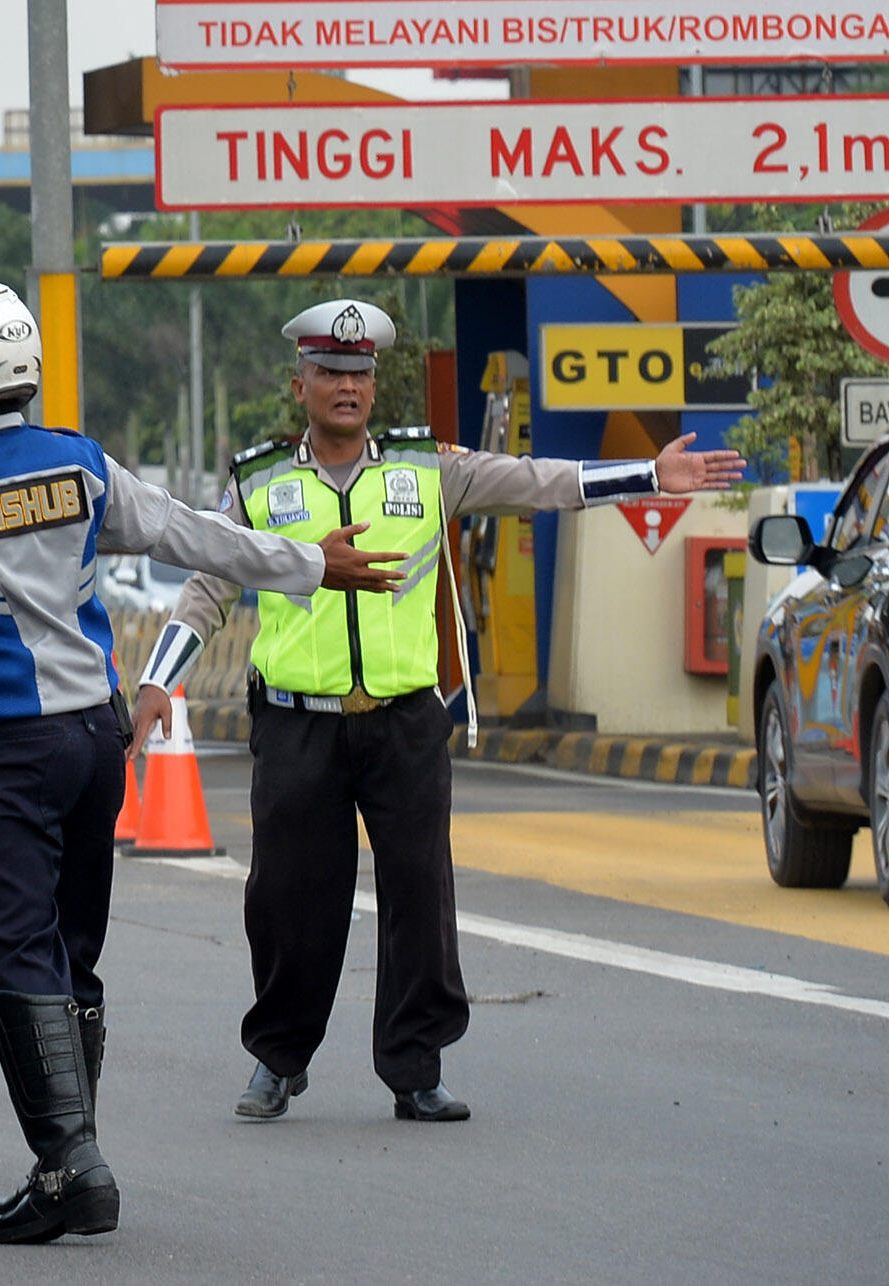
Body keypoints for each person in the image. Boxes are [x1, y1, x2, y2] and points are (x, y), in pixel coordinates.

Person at [0, 280, 395, 1244]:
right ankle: (68, 1155)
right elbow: (194, 535)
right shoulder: (81, 463)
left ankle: (70, 1168)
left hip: (7, 750)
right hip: (97, 742)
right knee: (71, 951)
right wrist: (309, 560)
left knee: (15, 949)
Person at [130, 296, 744, 1127]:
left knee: (420, 896)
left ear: (373, 385)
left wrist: (647, 477)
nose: (347, 386)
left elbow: (536, 481)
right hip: (296, 723)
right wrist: (159, 680)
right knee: (287, 900)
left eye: (360, 373)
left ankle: (415, 1068)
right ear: (300, 383)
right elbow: (207, 588)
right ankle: (278, 1060)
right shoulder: (261, 480)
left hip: (404, 720)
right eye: (330, 372)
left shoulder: (429, 469)